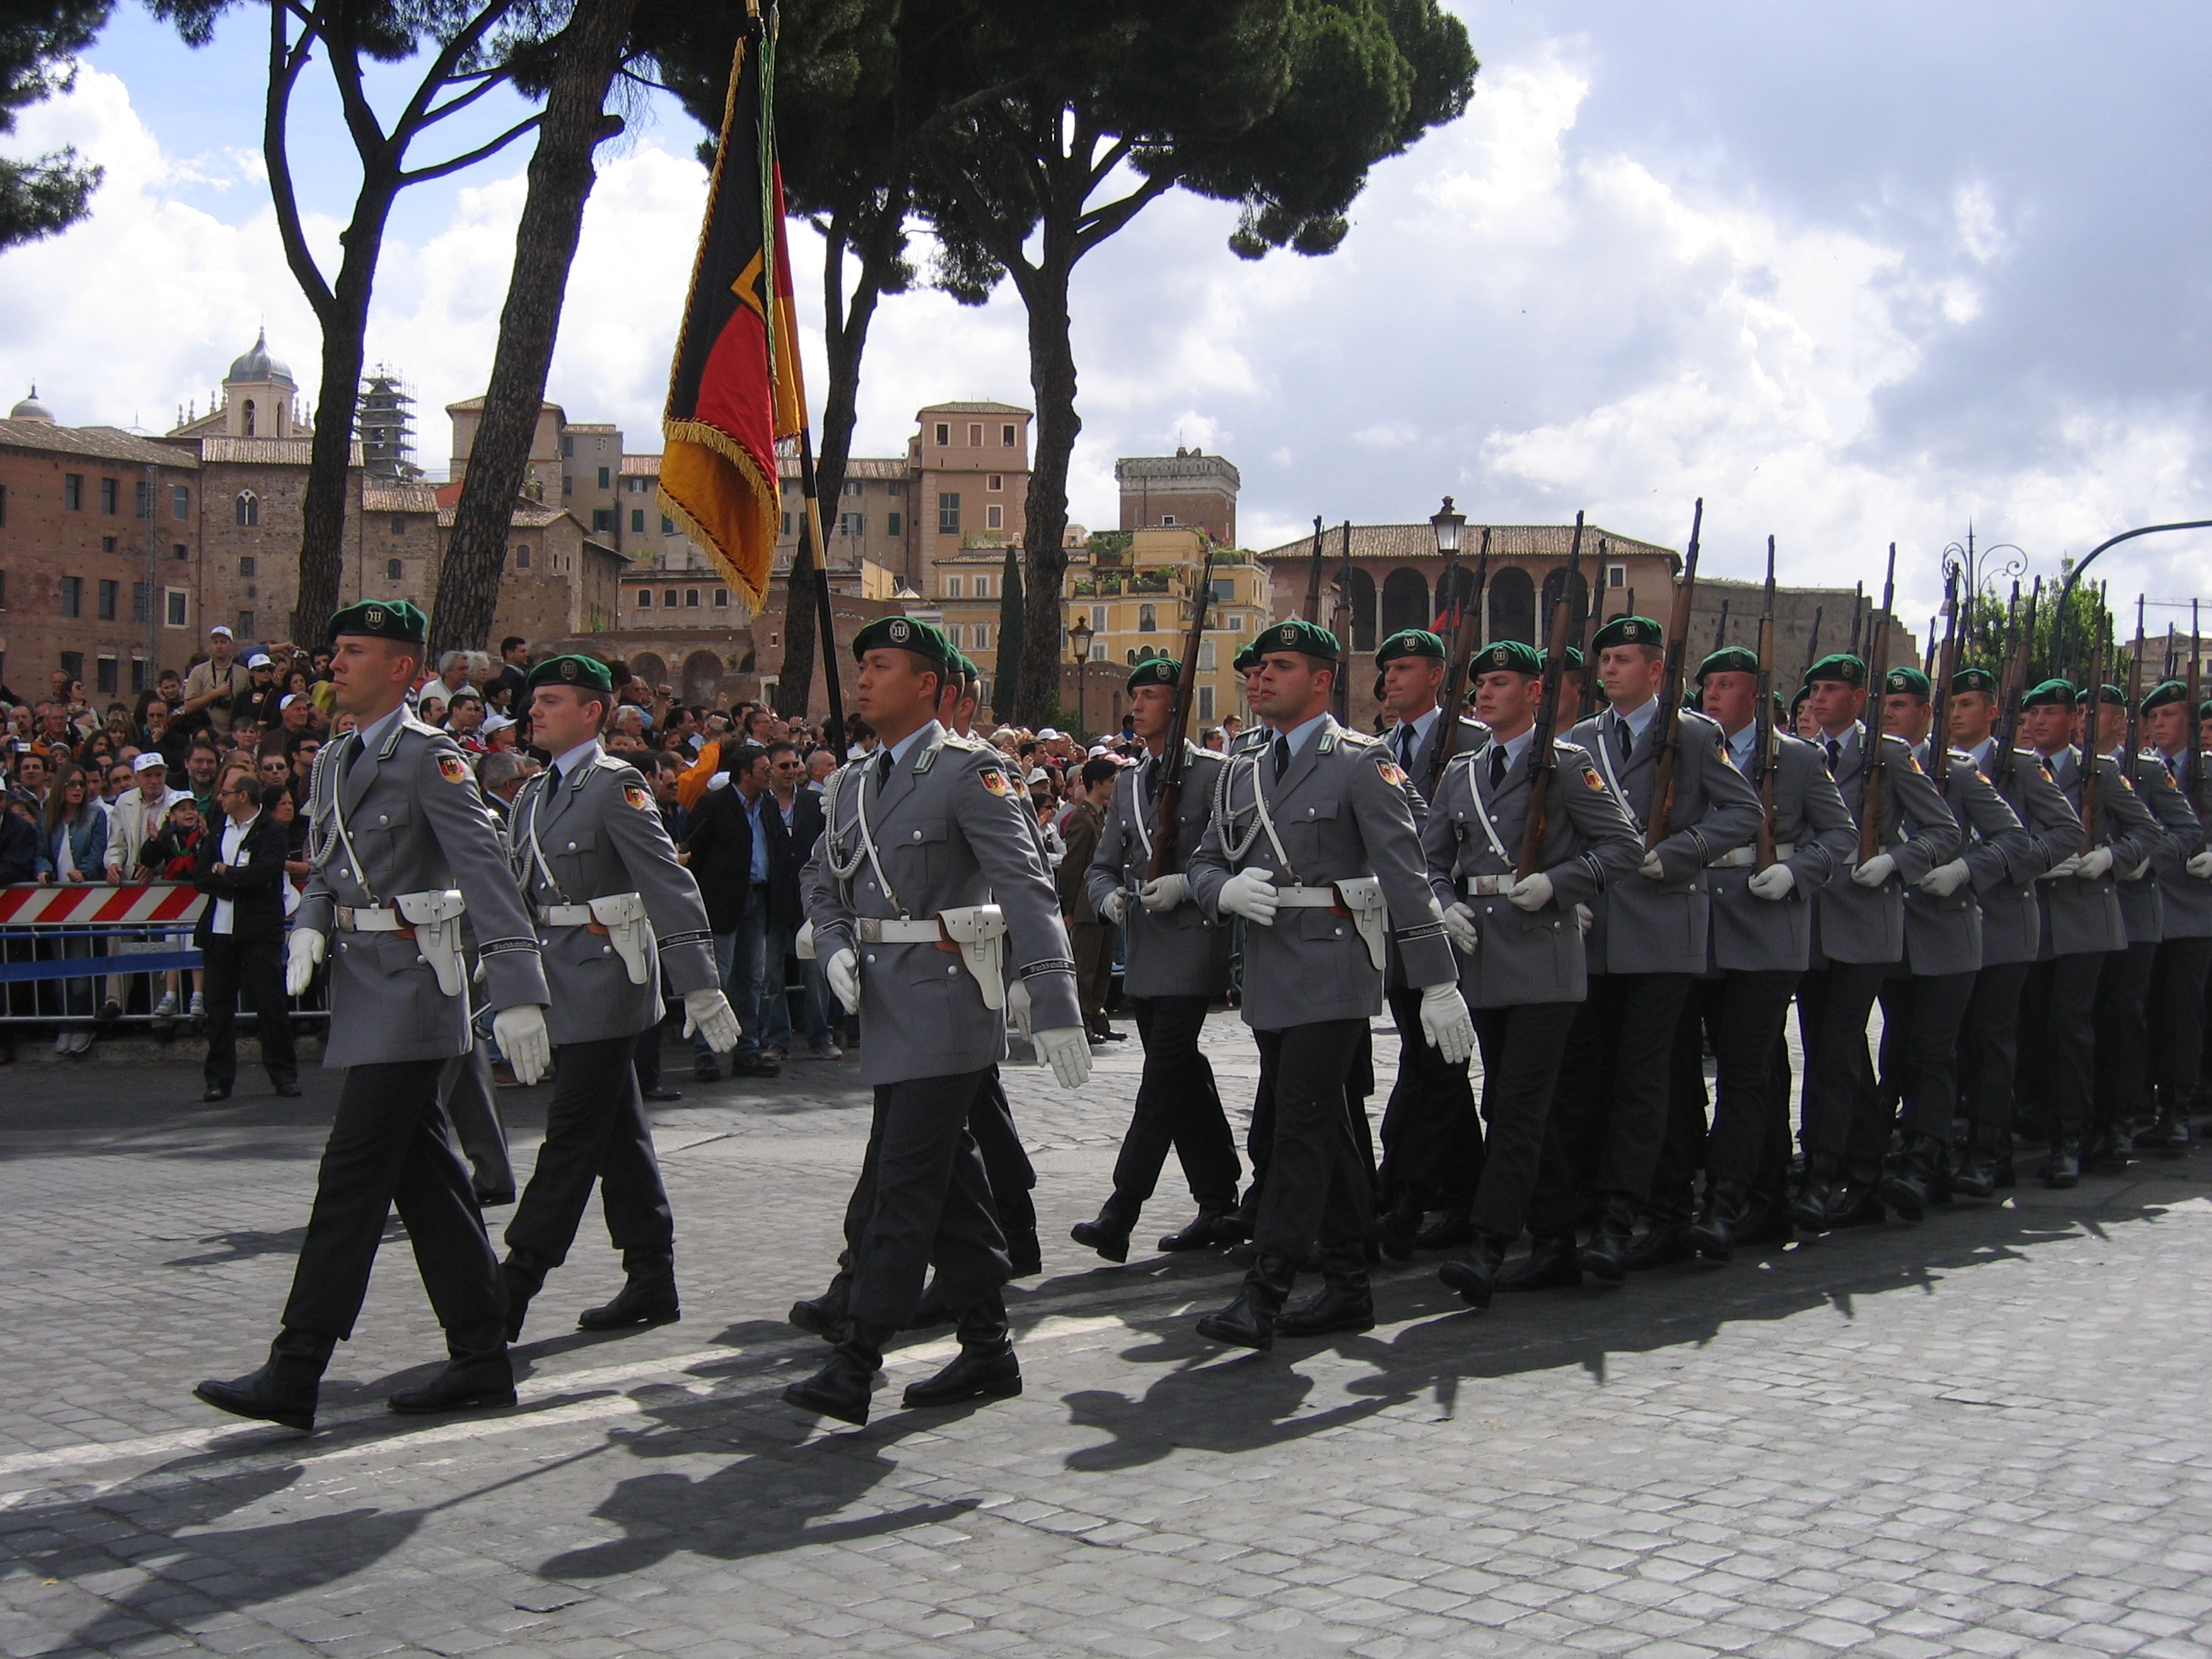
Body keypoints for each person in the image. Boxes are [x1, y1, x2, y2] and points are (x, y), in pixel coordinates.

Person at [192, 598, 551, 1435]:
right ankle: (481, 1356)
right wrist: (311, 925)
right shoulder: (333, 760)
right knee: (428, 1185)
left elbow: (487, 872)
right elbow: (325, 865)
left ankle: (296, 1366)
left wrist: (522, 988)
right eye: (334, 651)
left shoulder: (434, 760)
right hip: (366, 986)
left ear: (401, 669)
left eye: (353, 652)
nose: (335, 665)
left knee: (349, 1179)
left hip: (420, 991)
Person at [783, 617, 1089, 1426]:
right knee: (950, 1190)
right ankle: (989, 1348)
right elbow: (823, 879)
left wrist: (1051, 996)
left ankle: (857, 1359)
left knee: (904, 1188)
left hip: (951, 1004)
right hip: (887, 1008)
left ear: (926, 685)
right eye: (861, 666)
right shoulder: (851, 782)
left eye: (881, 666)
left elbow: (1026, 887)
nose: (863, 679)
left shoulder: (968, 772)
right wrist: (839, 942)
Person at [1188, 618, 1473, 1349]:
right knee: (1331, 1132)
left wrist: (1438, 981)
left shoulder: (1359, 761)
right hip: (1272, 973)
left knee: (1301, 1128)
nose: (1258, 679)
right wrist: (1219, 891)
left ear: (1321, 681)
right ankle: (1348, 1282)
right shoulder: (1242, 765)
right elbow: (1204, 857)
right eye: (1254, 668)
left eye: (1278, 667)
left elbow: (1408, 878)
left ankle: (1268, 1287)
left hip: (1336, 968)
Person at [498, 655, 739, 1342]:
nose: (533, 711)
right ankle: (651, 1275)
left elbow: (668, 885)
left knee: (571, 1137)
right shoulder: (531, 796)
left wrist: (698, 982)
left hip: (608, 986)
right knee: (619, 1138)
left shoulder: (616, 785)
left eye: (550, 701)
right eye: (532, 701)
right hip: (559, 982)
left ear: (593, 713)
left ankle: (511, 1288)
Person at [1538, 615, 1761, 1281]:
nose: (1609, 669)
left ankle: (1633, 1214)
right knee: (1590, 1073)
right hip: (1598, 927)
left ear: (1658, 671)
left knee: (1647, 1076)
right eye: (1604, 658)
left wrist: (1684, 852)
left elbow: (1742, 813)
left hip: (1664, 929)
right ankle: (1588, 1200)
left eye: (1625, 659)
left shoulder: (1693, 734)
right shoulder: (1578, 741)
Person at [1420, 640, 1642, 1307]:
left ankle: (1489, 1246)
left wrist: (1560, 884)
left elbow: (1625, 846)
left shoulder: (1570, 767)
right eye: (1480, 682)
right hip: (1482, 953)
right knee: (1512, 1105)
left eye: (1499, 683)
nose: (1484, 693)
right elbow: (1431, 862)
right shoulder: (1462, 771)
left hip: (1544, 954)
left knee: (1516, 1105)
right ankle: (1553, 1241)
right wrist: (1448, 904)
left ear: (1534, 693)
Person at [1074, 657, 1242, 1260]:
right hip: (1145, 947)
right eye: (1135, 695)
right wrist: (1108, 897)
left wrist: (1191, 886)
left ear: (1179, 704)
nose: (1138, 705)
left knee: (1162, 1075)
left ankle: (1122, 1210)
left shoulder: (1220, 775)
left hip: (1195, 944)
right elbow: (1099, 865)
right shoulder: (1127, 781)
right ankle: (1220, 1199)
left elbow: (1233, 858)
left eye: (1151, 696)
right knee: (1183, 1078)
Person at [1792, 653, 1960, 1227]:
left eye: (1832, 689)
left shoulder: (1887, 755)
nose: (1818, 699)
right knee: (1829, 1050)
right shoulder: (1800, 757)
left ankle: (1827, 1171)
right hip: (1813, 922)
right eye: (1814, 689)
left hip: (1866, 922)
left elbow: (1943, 832)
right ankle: (1861, 1165)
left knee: (1839, 1047)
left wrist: (1895, 860)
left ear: (1858, 698)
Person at [1871, 666, 2032, 1214]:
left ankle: (1930, 1161)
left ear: (1925, 714)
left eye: (1900, 706)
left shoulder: (1956, 773)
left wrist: (1966, 869)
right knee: (1897, 1053)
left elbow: (2017, 840)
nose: (1889, 715)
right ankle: (1893, 1153)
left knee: (1938, 1051)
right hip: (1893, 933)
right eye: (1884, 705)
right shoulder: (1872, 768)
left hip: (1949, 931)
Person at [1367, 628, 1490, 1257]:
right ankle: (1468, 1192)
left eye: (1405, 668)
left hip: (1457, 928)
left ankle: (1408, 1195)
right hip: (1394, 929)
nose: (1391, 679)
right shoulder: (1377, 748)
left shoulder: (1475, 742)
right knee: (1429, 1061)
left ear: (1438, 676)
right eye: (1386, 669)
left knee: (1438, 1065)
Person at [2013, 678, 2162, 1186]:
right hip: (2032, 916)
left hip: (2088, 920)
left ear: (2074, 722)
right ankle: (2033, 1118)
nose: (2036, 724)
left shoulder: (2099, 771)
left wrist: (2111, 858)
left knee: (2071, 1025)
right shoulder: (2013, 771)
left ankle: (2072, 1137)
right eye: (2030, 716)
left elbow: (2149, 832)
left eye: (2049, 715)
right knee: (2033, 1029)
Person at [1944, 667, 2078, 1194]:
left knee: (1993, 1040)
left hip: (2003, 921)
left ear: (1994, 712)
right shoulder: (1933, 765)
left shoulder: (2020, 766)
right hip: (1947, 921)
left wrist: (2010, 865)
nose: (1957, 714)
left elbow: (2066, 832)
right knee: (1949, 1046)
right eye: (1951, 704)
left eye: (1969, 704)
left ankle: (1990, 1151)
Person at [193, 767, 300, 1102]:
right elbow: (202, 878)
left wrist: (228, 874)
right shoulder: (217, 831)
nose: (220, 797)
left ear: (244, 796)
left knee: (270, 1004)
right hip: (219, 930)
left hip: (258, 930)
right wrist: (235, 878)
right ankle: (218, 1079)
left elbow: (264, 874)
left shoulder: (271, 832)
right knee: (218, 1008)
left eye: (225, 792)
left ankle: (284, 1075)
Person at [2139, 680, 2212, 1150]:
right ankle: (2136, 1102)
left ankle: (2177, 1108)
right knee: (2140, 1011)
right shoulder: (2140, 772)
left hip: (2194, 912)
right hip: (2143, 908)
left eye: (2170, 715)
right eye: (2155, 717)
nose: (2161, 725)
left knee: (2183, 1012)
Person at [681, 743, 780, 1079]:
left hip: (758, 898)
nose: (771, 775)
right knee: (716, 978)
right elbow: (692, 852)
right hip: (722, 902)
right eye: (765, 770)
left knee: (752, 978)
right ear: (745, 773)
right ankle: (705, 1052)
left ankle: (747, 1049)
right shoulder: (714, 804)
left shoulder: (767, 805)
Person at [758, 740, 837, 1061]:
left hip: (809, 901)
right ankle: (776, 1040)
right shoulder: (761, 805)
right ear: (770, 771)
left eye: (795, 765)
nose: (791, 771)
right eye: (784, 766)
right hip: (773, 901)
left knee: (815, 974)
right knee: (771, 976)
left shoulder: (812, 803)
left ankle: (821, 1035)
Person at [35, 761, 108, 1056]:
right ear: (60, 787)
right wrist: (42, 870)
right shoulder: (46, 819)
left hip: (83, 902)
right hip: (54, 903)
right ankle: (66, 1024)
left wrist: (85, 871)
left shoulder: (96, 816)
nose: (79, 789)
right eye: (73, 784)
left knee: (79, 971)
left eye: (82, 784)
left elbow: (97, 852)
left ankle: (82, 1025)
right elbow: (40, 853)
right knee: (60, 971)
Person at [1057, 756, 1121, 1043]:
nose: (1114, 786)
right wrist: (1068, 907)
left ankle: (1098, 1014)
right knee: (1085, 967)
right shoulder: (1083, 820)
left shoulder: (1101, 816)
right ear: (1096, 784)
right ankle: (1082, 1020)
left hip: (1102, 902)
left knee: (1102, 964)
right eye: (1110, 782)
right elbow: (1073, 867)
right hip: (1085, 905)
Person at [182, 626, 247, 740]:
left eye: (223, 642)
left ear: (231, 644)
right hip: (206, 735)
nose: (219, 646)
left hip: (233, 735)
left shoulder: (243, 673)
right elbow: (188, 707)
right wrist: (215, 694)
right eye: (215, 642)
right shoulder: (199, 671)